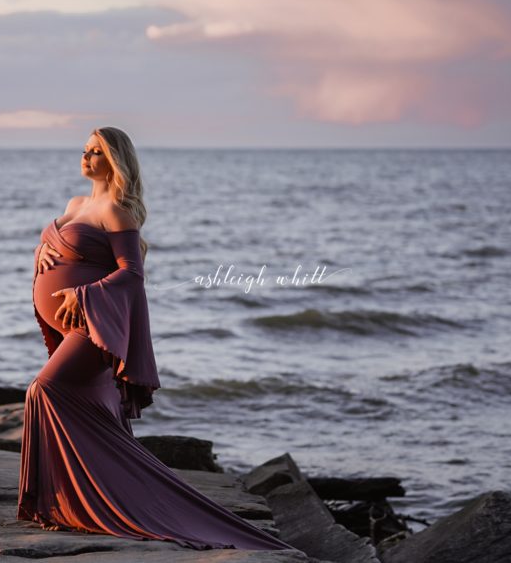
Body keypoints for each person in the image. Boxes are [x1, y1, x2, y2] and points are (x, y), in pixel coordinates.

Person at [17, 126, 300, 551]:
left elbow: (132, 274)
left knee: (45, 389)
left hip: (93, 325)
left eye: (97, 152)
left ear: (116, 160)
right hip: (68, 322)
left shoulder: (117, 211)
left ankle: (93, 501)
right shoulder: (76, 204)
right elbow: (65, 248)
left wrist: (83, 293)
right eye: (85, 149)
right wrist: (42, 253)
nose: (87, 157)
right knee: (85, 414)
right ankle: (67, 501)